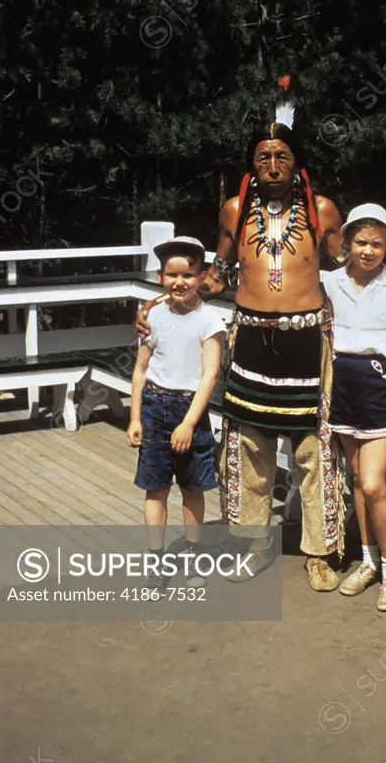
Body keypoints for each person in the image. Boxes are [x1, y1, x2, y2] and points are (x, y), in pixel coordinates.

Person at [136, 77, 345, 591]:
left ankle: (318, 551)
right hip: (250, 340)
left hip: (305, 343)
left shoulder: (322, 211)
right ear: (252, 163)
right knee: (249, 447)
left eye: (281, 156)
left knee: (312, 452)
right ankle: (254, 544)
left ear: (298, 162)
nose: (273, 166)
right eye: (263, 156)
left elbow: (349, 270)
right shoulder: (234, 210)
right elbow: (216, 275)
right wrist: (161, 300)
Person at [322, 204, 386, 611]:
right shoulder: (330, 282)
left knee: (374, 483)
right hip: (342, 384)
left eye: (377, 243)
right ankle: (368, 561)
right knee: (356, 479)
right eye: (360, 242)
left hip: (383, 385)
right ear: (345, 242)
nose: (368, 250)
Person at [127, 236, 226, 588]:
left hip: (190, 411)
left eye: (188, 275)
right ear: (160, 275)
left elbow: (209, 375)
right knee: (155, 489)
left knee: (192, 489)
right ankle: (155, 561)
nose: (179, 282)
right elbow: (140, 369)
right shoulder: (151, 315)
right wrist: (135, 416)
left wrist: (188, 423)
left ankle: (194, 555)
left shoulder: (209, 321)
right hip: (155, 406)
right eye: (172, 275)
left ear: (200, 276)